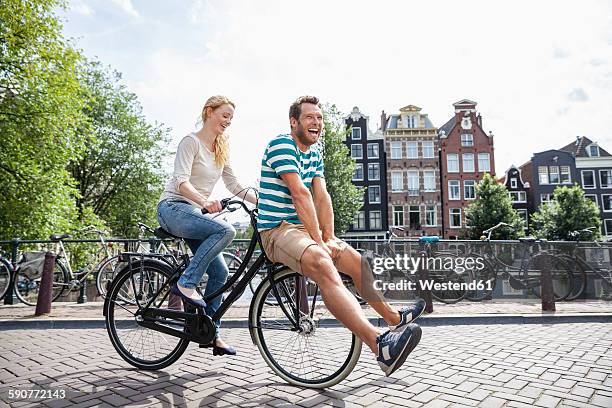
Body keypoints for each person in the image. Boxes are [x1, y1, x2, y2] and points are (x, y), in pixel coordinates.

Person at [257, 96, 425, 376]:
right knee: (323, 263)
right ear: (294, 121)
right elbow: (300, 194)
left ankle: (393, 318)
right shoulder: (281, 145)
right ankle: (380, 346)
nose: (316, 123)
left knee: (357, 263)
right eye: (310, 117)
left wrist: (330, 237)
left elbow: (321, 195)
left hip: (303, 231)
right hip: (279, 229)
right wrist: (319, 242)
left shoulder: (315, 152)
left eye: (320, 118)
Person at [157, 95, 257, 356]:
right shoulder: (191, 142)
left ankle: (211, 333)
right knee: (226, 230)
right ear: (209, 112)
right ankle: (185, 284)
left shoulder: (221, 147)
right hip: (173, 208)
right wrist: (205, 202)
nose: (228, 122)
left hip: (194, 214)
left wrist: (261, 202)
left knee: (220, 273)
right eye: (225, 116)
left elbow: (234, 185)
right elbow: (181, 182)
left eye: (231, 119)